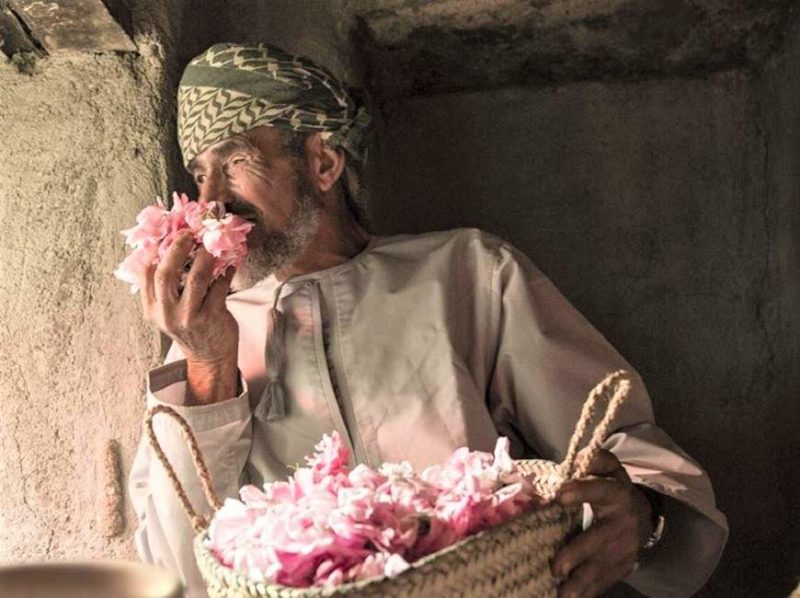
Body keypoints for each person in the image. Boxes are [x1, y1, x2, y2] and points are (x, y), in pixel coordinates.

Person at [129, 43, 728, 598]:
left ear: (324, 162)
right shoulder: (204, 331)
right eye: (199, 173)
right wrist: (208, 367)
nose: (209, 199)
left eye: (235, 161)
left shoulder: (469, 274)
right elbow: (178, 573)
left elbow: (619, 448)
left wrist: (643, 516)